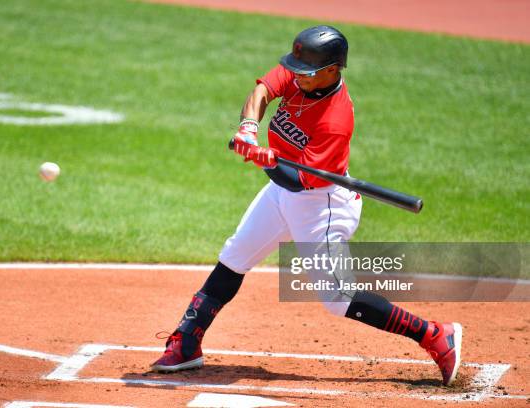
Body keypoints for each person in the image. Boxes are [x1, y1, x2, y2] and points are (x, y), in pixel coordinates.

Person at [151, 25, 463, 386]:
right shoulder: (303, 69)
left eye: (306, 72)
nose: (296, 76)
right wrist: (249, 129)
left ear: (332, 70)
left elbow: (299, 180)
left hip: (321, 205)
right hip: (282, 193)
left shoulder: (336, 120)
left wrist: (267, 161)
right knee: (235, 255)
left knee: (337, 298)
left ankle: (434, 334)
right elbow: (262, 90)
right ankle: (187, 342)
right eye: (295, 68)